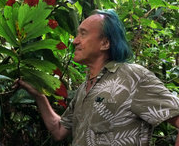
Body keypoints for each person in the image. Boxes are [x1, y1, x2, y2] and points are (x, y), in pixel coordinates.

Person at [18, 9, 179, 145]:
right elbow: (59, 131)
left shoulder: (133, 77)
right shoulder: (84, 89)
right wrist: (39, 96)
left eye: (83, 34)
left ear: (105, 43)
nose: (75, 41)